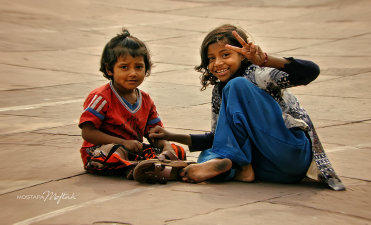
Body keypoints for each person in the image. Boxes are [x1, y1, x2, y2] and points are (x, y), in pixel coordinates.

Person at [148, 24, 345, 190]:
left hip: (291, 152)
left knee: (237, 87)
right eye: (211, 58)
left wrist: (267, 60)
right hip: (273, 171)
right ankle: (238, 169)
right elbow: (220, 137)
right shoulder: (219, 92)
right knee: (209, 154)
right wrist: (171, 136)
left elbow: (311, 71)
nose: (217, 63)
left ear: (242, 56)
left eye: (225, 54)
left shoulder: (257, 74)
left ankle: (228, 163)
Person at [78, 28, 186, 178]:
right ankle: (144, 169)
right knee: (112, 153)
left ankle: (148, 167)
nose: (133, 73)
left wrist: (165, 146)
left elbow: (155, 133)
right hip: (103, 150)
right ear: (110, 69)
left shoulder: (146, 100)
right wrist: (123, 143)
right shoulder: (101, 97)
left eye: (139, 67)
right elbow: (87, 132)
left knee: (177, 150)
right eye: (124, 67)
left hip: (133, 151)